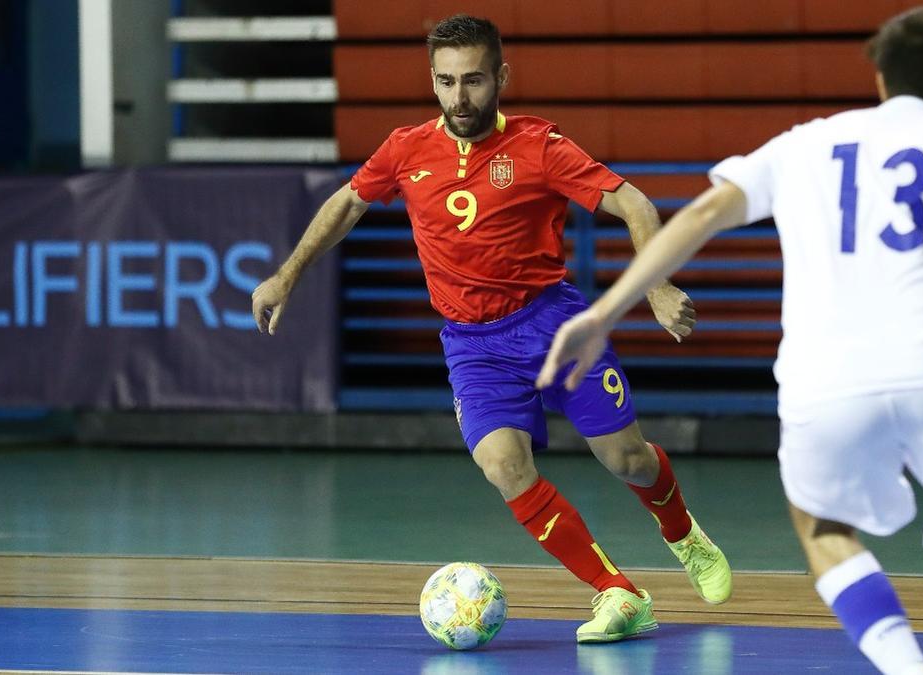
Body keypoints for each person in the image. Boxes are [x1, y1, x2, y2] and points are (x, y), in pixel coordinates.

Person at [538, 6, 923, 673]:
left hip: (825, 381)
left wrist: (606, 311)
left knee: (825, 529)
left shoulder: (807, 142)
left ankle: (906, 667)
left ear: (880, 78)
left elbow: (702, 215)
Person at [250, 14, 732, 643]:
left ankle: (682, 535)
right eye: (446, 82)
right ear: (432, 81)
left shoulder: (539, 147)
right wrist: (286, 276)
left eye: (473, 80)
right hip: (473, 345)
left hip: (553, 325)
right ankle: (618, 593)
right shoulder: (406, 149)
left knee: (629, 460)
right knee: (504, 466)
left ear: (500, 77)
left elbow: (634, 203)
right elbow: (347, 202)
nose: (459, 97)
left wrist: (658, 287)